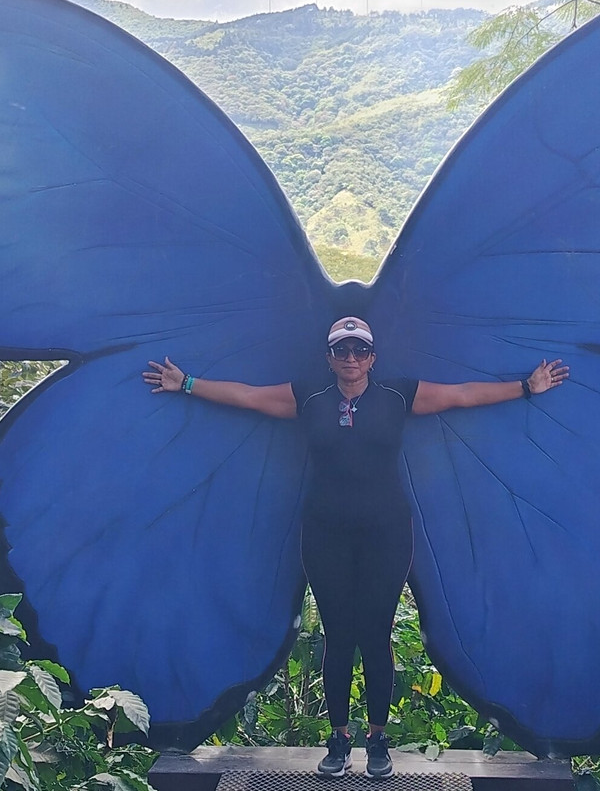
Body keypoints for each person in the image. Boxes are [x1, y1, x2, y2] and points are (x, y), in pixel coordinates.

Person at [143, 316, 569, 780]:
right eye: (342, 351)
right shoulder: (308, 396)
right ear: (329, 358)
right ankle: (339, 738)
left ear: (373, 358)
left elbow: (462, 395)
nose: (351, 359)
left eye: (359, 351)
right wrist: (184, 383)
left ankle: (378, 739)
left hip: (386, 533)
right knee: (339, 636)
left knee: (375, 634)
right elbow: (248, 397)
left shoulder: (397, 396)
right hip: (325, 533)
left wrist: (527, 387)